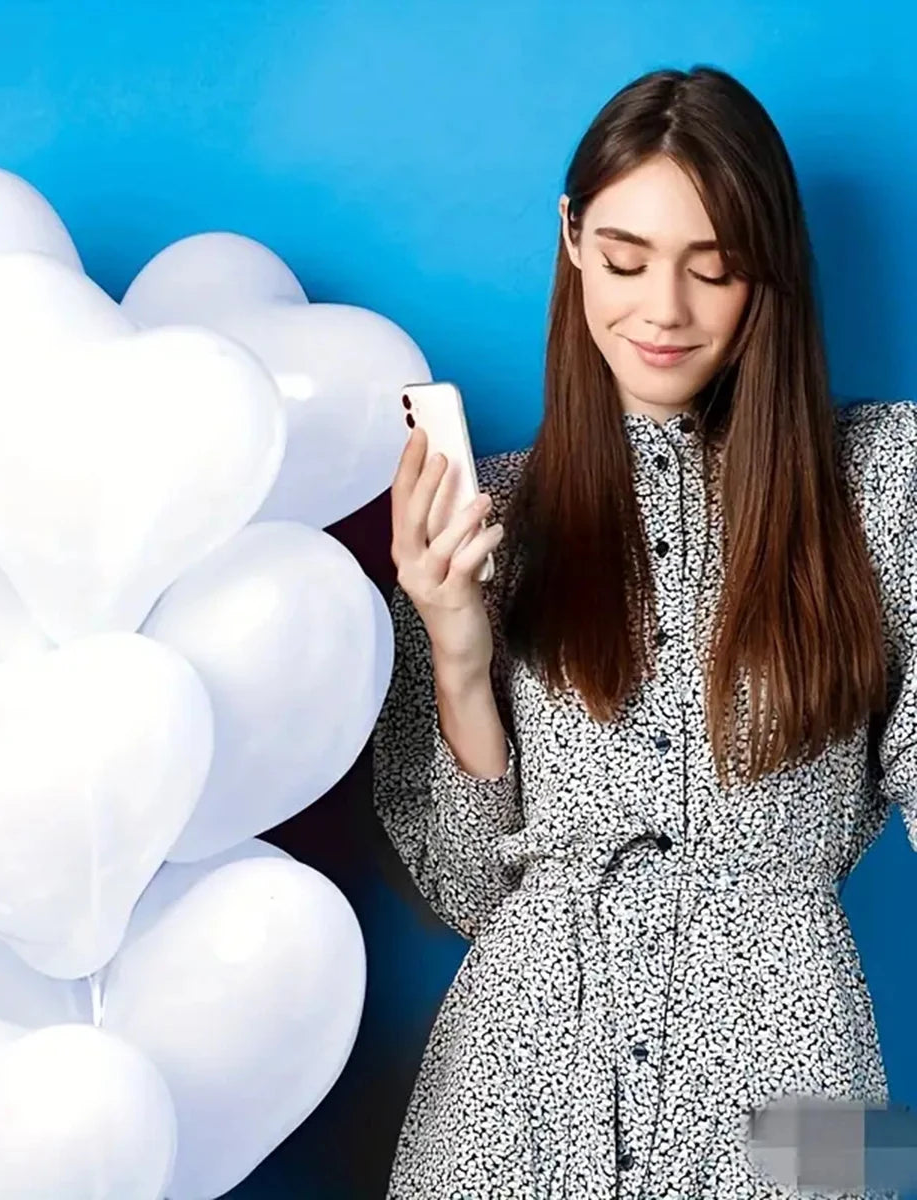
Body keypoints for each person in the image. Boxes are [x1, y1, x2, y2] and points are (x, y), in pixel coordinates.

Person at [372, 64, 917, 1199]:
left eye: (713, 269)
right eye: (624, 259)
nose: (662, 310)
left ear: (770, 273)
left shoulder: (887, 483)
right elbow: (472, 894)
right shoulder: (492, 520)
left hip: (802, 1073)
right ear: (572, 241)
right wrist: (458, 644)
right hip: (511, 1087)